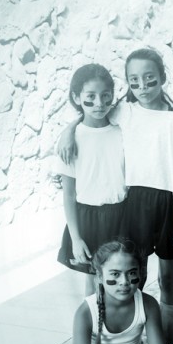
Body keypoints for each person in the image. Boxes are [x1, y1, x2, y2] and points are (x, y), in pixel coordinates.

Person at [58, 48, 173, 344]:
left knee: (168, 277)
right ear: (128, 84)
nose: (142, 87)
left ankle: (167, 343)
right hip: (135, 203)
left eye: (150, 79)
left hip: (169, 204)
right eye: (134, 82)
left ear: (162, 77)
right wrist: (67, 131)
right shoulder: (125, 111)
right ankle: (126, 339)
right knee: (133, 276)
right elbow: (91, 115)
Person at [54, 64, 127, 297]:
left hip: (122, 214)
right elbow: (68, 194)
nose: (99, 103)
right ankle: (96, 329)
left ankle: (122, 329)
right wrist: (76, 238)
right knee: (94, 284)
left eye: (106, 96)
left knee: (123, 280)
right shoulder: (71, 140)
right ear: (76, 97)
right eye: (90, 97)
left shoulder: (123, 129)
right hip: (88, 219)